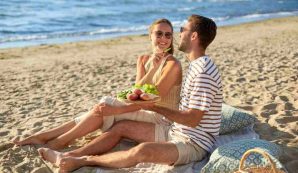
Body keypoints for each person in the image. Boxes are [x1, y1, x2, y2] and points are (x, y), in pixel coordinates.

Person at [38, 14, 223, 172]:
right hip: (175, 131)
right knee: (122, 127)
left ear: (194, 36)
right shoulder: (196, 66)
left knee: (142, 151)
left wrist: (155, 107)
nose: (179, 33)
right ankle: (69, 155)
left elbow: (192, 119)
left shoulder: (203, 71)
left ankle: (81, 161)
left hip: (194, 144)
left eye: (183, 29)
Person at [13, 18, 182, 150]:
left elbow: (150, 101)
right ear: (150, 35)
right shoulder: (143, 59)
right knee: (102, 107)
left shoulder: (172, 64)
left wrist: (116, 109)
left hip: (162, 119)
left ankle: (56, 141)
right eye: (159, 34)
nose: (163, 39)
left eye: (168, 35)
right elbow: (136, 93)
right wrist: (152, 68)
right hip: (143, 110)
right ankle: (47, 137)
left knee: (106, 105)